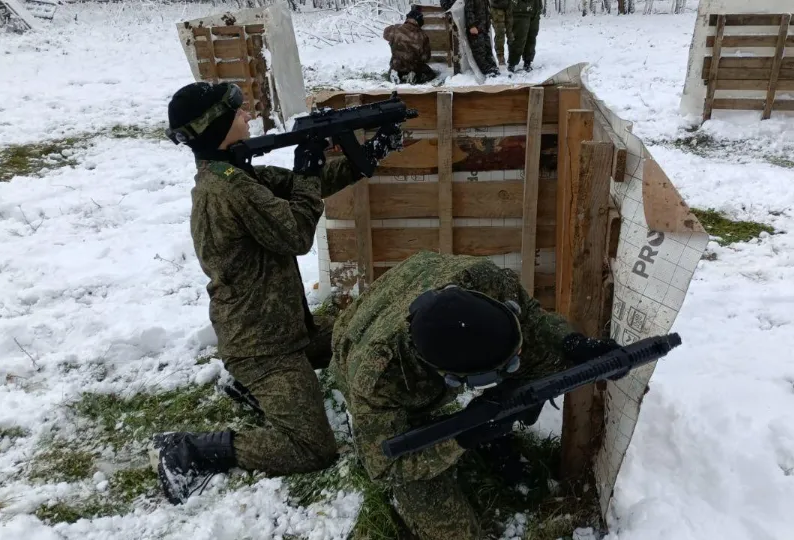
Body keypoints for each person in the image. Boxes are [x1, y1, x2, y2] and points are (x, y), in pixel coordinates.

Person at [150, 81, 406, 505]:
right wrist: (306, 171)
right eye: (237, 113)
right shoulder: (229, 189)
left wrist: (370, 153)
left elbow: (305, 185)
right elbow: (296, 232)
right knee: (312, 448)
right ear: (216, 126)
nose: (247, 115)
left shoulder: (234, 171)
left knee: (363, 330)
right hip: (264, 348)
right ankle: (192, 449)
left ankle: (252, 390)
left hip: (289, 331)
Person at [328, 250, 619, 539]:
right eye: (509, 364)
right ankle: (483, 435)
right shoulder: (376, 380)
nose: (521, 357)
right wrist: (463, 436)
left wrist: (571, 342)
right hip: (360, 348)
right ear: (455, 380)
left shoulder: (483, 281)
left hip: (411, 295)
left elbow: (530, 318)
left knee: (550, 358)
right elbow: (385, 467)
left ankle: (498, 432)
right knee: (454, 532)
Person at [383, 7, 438, 85]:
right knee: (431, 74)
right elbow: (426, 58)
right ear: (419, 21)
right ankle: (413, 75)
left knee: (395, 65)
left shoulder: (395, 29)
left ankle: (395, 73)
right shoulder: (423, 36)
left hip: (396, 65)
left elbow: (385, 34)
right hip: (413, 67)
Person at [464, 0, 501, 77]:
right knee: (479, 50)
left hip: (483, 28)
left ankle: (492, 67)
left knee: (487, 49)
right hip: (476, 29)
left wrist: (487, 25)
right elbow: (468, 10)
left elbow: (486, 11)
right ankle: (486, 70)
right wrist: (472, 25)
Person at [508, 0, 541, 73]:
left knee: (531, 38)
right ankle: (512, 63)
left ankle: (527, 62)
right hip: (520, 11)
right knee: (518, 39)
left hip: (535, 11)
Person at [489, 0, 512, 66]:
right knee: (500, 34)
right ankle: (500, 57)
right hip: (497, 8)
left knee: (511, 33)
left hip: (510, 7)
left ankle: (512, 56)